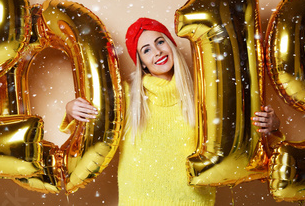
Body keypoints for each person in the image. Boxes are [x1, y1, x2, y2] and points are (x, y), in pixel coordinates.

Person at [62, 18, 281, 205]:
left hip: (193, 201)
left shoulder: (205, 94)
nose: (157, 52)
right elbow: (88, 127)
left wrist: (273, 126)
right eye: (146, 50)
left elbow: (240, 138)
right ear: (143, 63)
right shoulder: (126, 96)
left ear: (171, 45)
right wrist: (71, 110)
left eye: (160, 42)